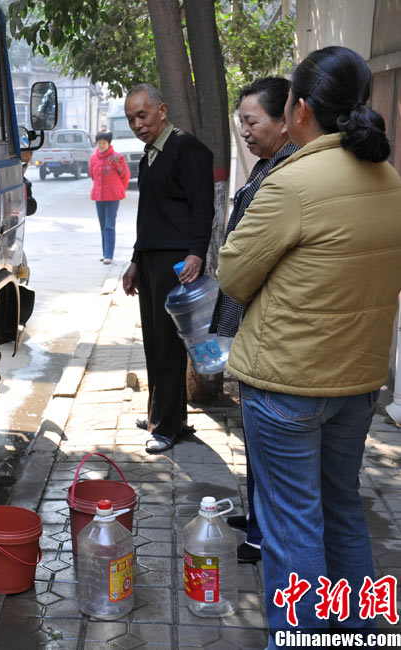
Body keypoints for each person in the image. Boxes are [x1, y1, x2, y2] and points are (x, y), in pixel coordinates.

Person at [218, 46, 401, 640]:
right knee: (343, 512)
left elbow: (233, 276)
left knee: (292, 525)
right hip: (358, 381)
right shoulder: (389, 180)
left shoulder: (292, 183)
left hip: (287, 385)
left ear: (299, 109)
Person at [210, 77, 299, 565]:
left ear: (286, 121)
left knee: (269, 444)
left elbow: (251, 260)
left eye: (252, 121)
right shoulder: (269, 163)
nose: (244, 131)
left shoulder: (287, 172)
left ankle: (265, 535)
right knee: (254, 435)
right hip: (251, 319)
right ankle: (259, 517)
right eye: (240, 122)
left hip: (266, 324)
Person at [121, 84, 214, 453]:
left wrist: (196, 253)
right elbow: (148, 215)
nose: (137, 125)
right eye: (131, 119)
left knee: (168, 343)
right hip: (150, 259)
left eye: (142, 116)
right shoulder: (149, 157)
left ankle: (166, 427)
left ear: (162, 110)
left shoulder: (187, 149)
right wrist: (134, 260)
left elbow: (203, 207)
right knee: (154, 340)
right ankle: (162, 415)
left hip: (176, 261)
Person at [89, 131, 130, 264]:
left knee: (109, 226)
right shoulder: (93, 158)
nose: (101, 145)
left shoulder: (117, 157)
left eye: (104, 143)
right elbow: (93, 175)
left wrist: (120, 189)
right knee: (102, 225)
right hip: (99, 196)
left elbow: (125, 175)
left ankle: (109, 255)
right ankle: (105, 253)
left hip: (113, 196)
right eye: (99, 143)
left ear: (109, 143)